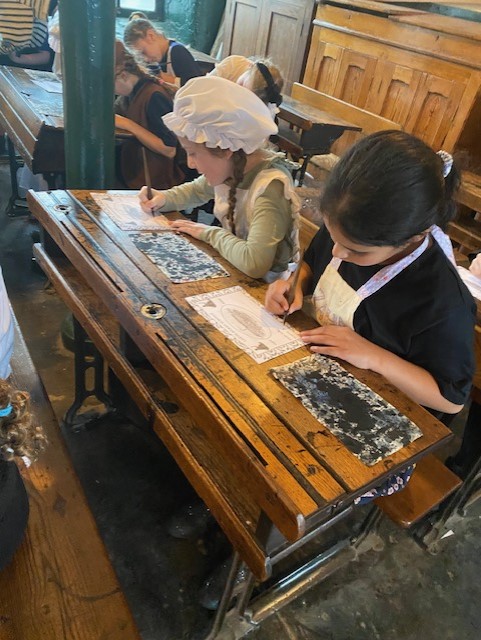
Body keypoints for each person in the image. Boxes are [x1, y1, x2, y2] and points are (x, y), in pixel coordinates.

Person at [265, 130, 476, 502]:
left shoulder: (442, 302)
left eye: (356, 252)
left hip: (383, 424)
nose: (338, 253)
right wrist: (294, 283)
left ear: (412, 237)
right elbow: (313, 262)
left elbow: (450, 399)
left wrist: (373, 356)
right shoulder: (349, 224)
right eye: (334, 238)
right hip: (321, 375)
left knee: (291, 482)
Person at [139, 75, 300, 282]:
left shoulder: (270, 188)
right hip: (234, 271)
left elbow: (254, 264)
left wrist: (209, 233)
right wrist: (163, 198)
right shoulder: (232, 167)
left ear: (225, 150)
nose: (190, 163)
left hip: (265, 289)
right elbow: (197, 190)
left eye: (193, 153)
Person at [114, 40, 187, 191]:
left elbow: (169, 149)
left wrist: (128, 124)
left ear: (124, 75)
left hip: (154, 182)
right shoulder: (128, 95)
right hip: (132, 171)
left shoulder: (154, 96)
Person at [123, 18, 202, 86]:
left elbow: (196, 86)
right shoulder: (158, 60)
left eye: (143, 52)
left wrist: (168, 79)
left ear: (151, 36)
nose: (146, 59)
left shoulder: (177, 52)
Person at [210, 55, 284, 113]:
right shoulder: (233, 65)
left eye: (246, 96)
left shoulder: (261, 107)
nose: (239, 90)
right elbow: (206, 85)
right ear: (250, 66)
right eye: (242, 84)